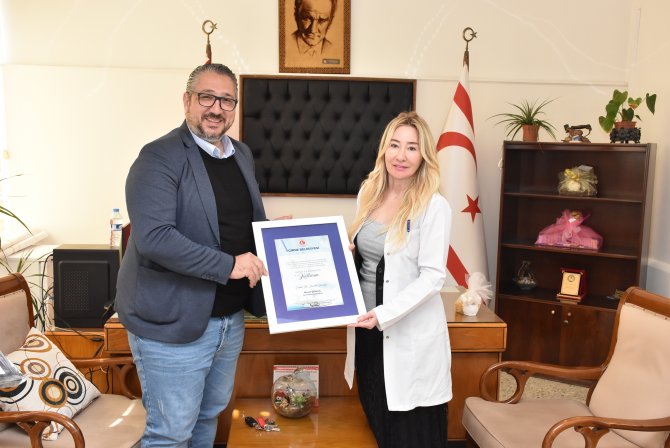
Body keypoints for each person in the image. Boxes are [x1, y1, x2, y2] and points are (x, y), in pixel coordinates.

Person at [115, 63, 268, 448]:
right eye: (207, 97)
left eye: (227, 100)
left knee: (207, 419)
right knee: (170, 433)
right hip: (172, 324)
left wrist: (279, 236)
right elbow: (155, 238)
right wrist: (230, 265)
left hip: (228, 320)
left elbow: (238, 223)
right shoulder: (158, 157)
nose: (217, 108)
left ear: (235, 108)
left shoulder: (241, 154)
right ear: (187, 101)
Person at [344, 111, 453, 447]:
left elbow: (433, 277)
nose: (401, 156)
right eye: (394, 145)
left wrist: (383, 314)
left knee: (409, 430)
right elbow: (368, 257)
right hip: (367, 332)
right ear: (384, 149)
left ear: (424, 156)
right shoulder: (369, 192)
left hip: (406, 334)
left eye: (411, 147)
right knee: (377, 417)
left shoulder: (434, 206)